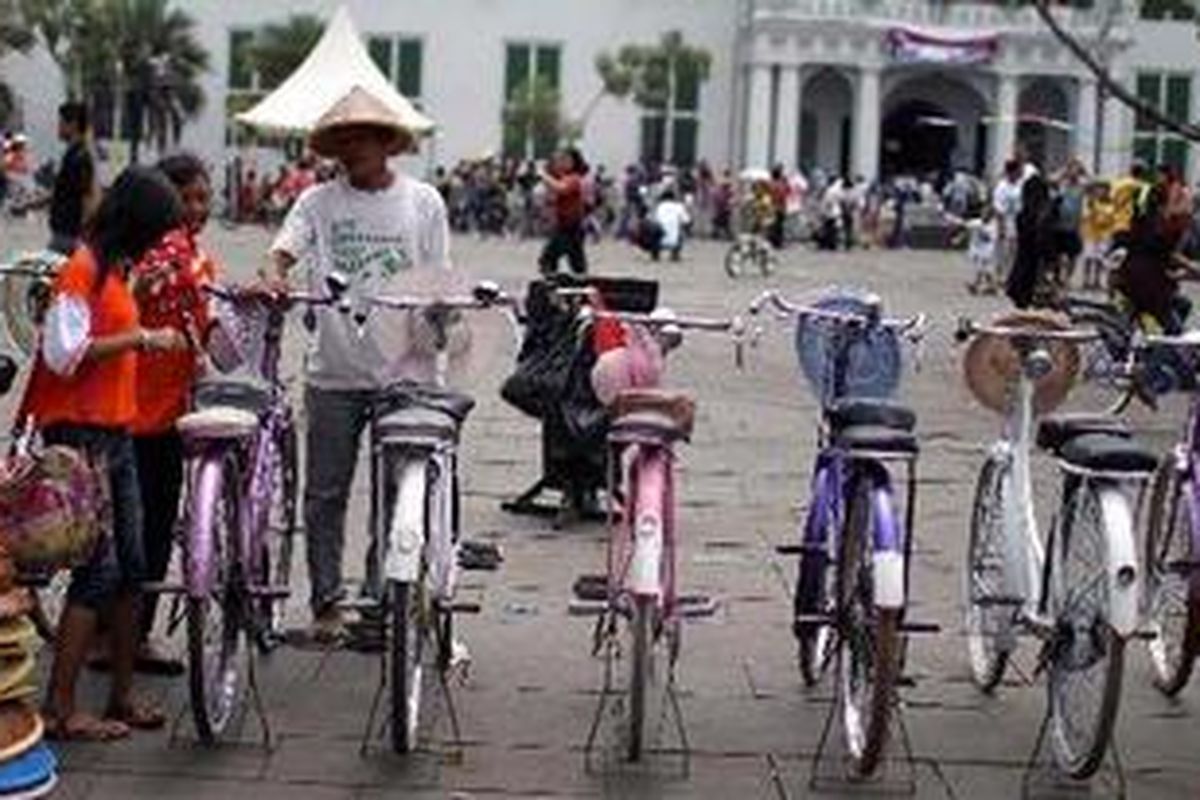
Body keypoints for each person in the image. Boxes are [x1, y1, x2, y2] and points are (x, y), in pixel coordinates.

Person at [265, 86, 450, 642]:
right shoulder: (317, 202)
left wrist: (441, 317)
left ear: (387, 143)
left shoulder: (424, 202)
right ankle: (325, 600)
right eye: (343, 140)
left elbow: (438, 275)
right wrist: (275, 276)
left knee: (396, 494)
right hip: (334, 371)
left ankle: (381, 600)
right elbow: (283, 250)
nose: (352, 149)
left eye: (363, 138)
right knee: (324, 493)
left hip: (405, 374)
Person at [17, 167, 189, 740]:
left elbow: (99, 327)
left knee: (132, 567)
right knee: (100, 570)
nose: (159, 242)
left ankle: (121, 696)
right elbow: (64, 353)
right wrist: (142, 337)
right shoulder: (83, 269)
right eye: (156, 231)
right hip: (81, 435)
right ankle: (62, 708)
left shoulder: (114, 271)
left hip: (116, 432)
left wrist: (136, 303)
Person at [126, 153, 219, 674]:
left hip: (157, 409)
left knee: (136, 526)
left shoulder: (169, 254)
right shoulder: (171, 256)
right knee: (151, 526)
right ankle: (129, 637)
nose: (198, 209)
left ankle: (116, 633)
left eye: (204, 199)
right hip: (144, 413)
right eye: (188, 199)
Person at [538, 147, 589, 275]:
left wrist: (544, 177)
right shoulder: (564, 177)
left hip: (571, 226)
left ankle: (556, 278)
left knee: (550, 257)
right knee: (574, 261)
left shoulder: (574, 178)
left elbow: (562, 189)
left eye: (565, 159)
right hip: (565, 224)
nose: (562, 162)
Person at [992, 158, 1025, 281]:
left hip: (1017, 221)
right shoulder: (1002, 187)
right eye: (1018, 170)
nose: (1020, 173)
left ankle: (1010, 275)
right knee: (1002, 250)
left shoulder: (1020, 185)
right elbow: (998, 208)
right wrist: (1001, 227)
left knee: (1014, 250)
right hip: (1005, 221)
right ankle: (998, 276)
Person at [1080, 180, 1115, 290]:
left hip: (1104, 234)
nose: (1101, 192)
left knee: (1099, 259)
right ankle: (1086, 280)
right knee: (1088, 257)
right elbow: (1086, 215)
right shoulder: (1091, 202)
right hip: (1090, 233)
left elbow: (1112, 219)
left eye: (1104, 190)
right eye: (1099, 189)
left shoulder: (1111, 204)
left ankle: (1097, 280)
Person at [652, 188, 691, 261]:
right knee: (680, 230)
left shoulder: (659, 207)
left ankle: (655, 254)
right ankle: (675, 254)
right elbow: (687, 221)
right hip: (674, 240)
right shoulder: (679, 206)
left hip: (659, 241)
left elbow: (654, 221)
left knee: (655, 228)